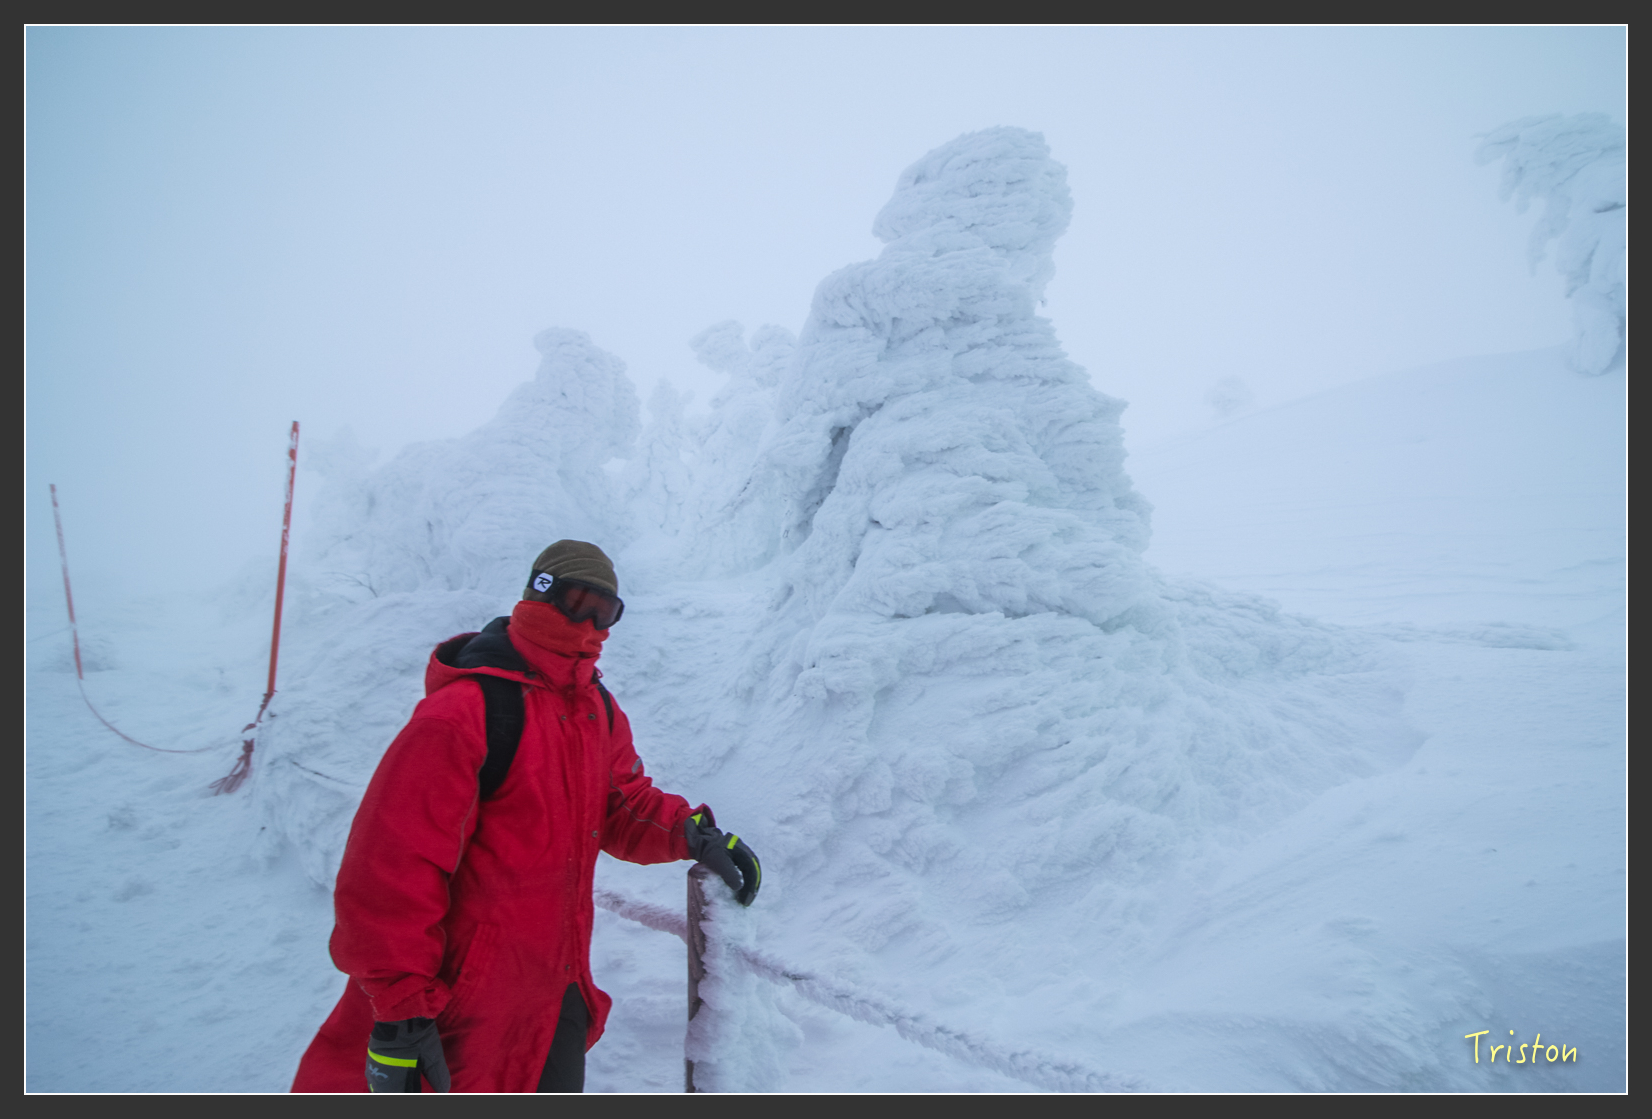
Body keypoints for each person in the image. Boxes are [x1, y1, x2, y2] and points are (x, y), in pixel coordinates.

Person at [290, 540, 761, 1093]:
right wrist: (400, 1011)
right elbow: (391, 869)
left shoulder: (595, 711)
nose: (589, 623)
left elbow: (623, 803)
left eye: (606, 612)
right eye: (577, 601)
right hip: (456, 1001)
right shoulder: (462, 714)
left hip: (554, 991)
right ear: (539, 594)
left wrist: (695, 835)